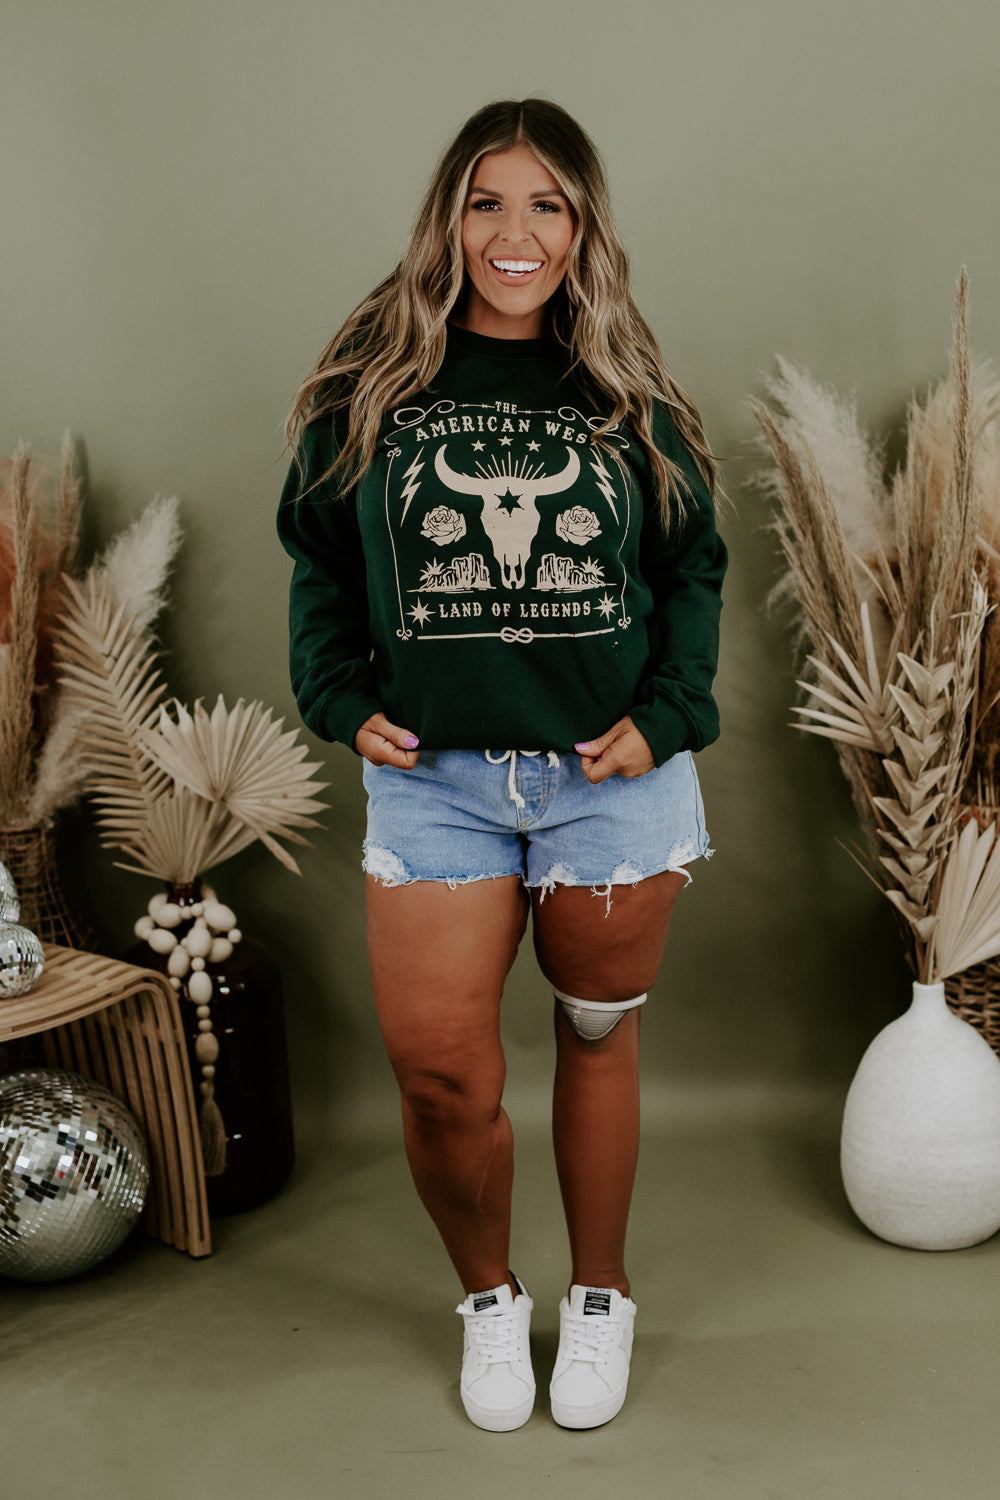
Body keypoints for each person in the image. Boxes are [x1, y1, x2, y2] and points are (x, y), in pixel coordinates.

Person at [277, 98, 727, 1433]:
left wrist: (671, 712)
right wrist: (334, 691)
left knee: (595, 1031)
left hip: (609, 782)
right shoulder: (370, 384)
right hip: (437, 783)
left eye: (546, 204)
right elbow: (318, 557)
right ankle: (488, 1299)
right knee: (438, 1075)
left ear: (583, 228)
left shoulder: (630, 394)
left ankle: (601, 1296)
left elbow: (692, 565)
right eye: (487, 201)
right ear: (448, 218)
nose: (514, 232)